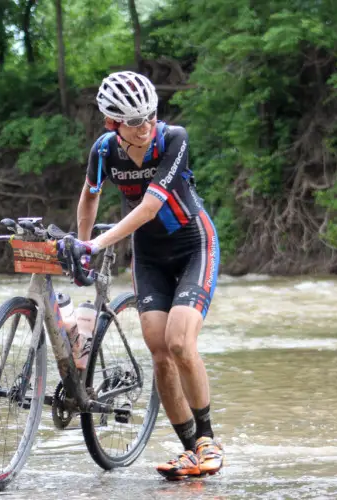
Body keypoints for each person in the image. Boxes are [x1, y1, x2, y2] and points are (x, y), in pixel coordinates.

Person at [74, 71, 223, 479]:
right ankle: (190, 449)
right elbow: (89, 199)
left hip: (195, 246)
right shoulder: (104, 152)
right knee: (159, 353)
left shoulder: (173, 138)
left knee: (179, 342)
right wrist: (80, 248)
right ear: (112, 124)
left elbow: (150, 207)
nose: (145, 127)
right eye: (134, 122)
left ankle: (209, 439)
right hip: (149, 257)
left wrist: (98, 245)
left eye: (149, 117)